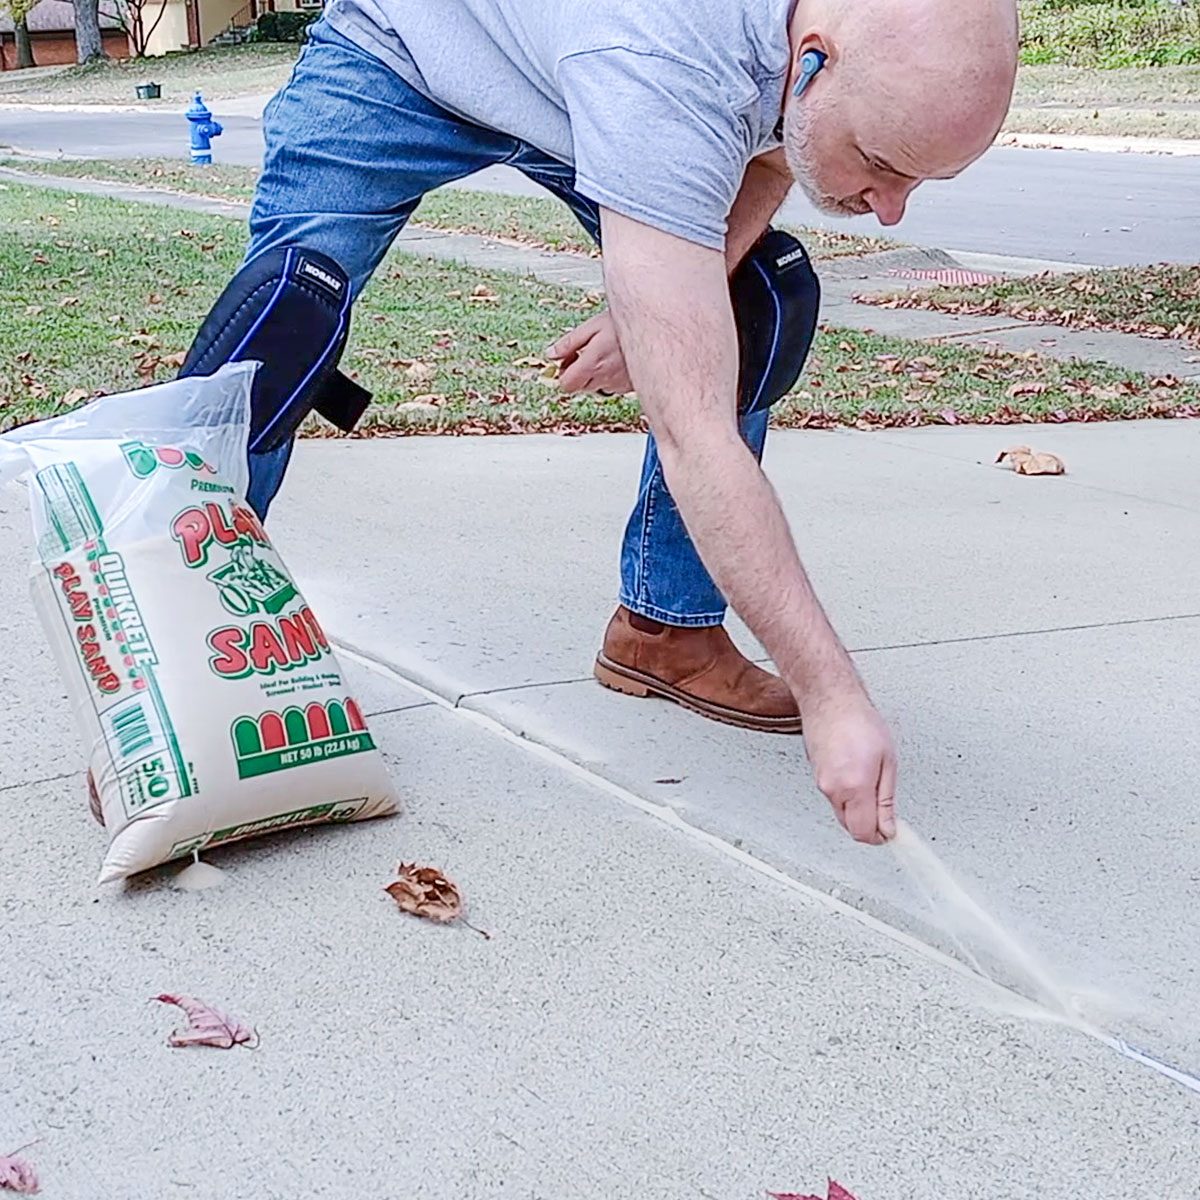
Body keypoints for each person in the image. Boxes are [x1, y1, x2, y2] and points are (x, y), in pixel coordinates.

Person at [180, 0, 1019, 847]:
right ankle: (178, 671)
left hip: (584, 57)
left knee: (755, 300)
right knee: (281, 325)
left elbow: (768, 145)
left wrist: (647, 308)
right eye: (880, 165)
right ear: (810, 60)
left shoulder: (821, 49)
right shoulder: (663, 59)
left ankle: (666, 634)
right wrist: (834, 697)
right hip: (402, 49)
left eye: (920, 179)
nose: (891, 213)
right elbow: (696, 438)